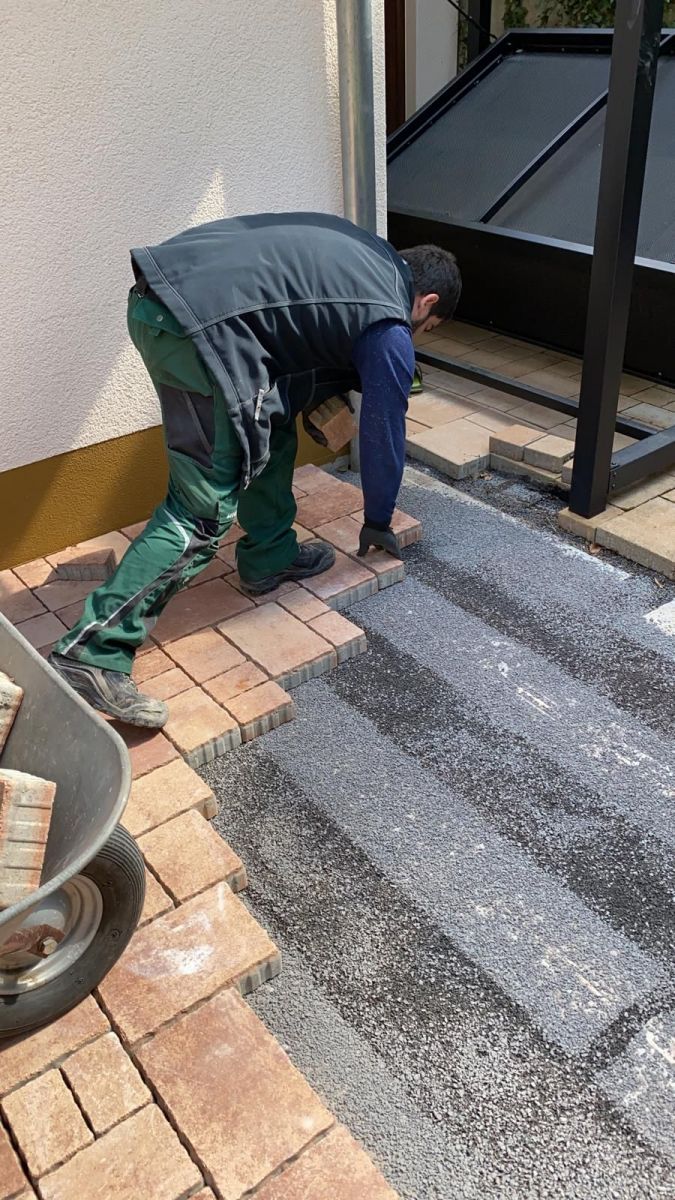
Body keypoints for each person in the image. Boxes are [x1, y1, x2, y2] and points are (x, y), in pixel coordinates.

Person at [50, 212, 461, 728]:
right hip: (194, 329)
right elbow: (384, 430)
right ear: (427, 302)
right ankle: (93, 651)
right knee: (201, 510)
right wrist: (378, 517)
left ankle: (269, 557)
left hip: (172, 300)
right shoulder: (388, 322)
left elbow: (297, 329)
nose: (417, 336)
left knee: (272, 425)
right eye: (428, 329)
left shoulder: (368, 257)